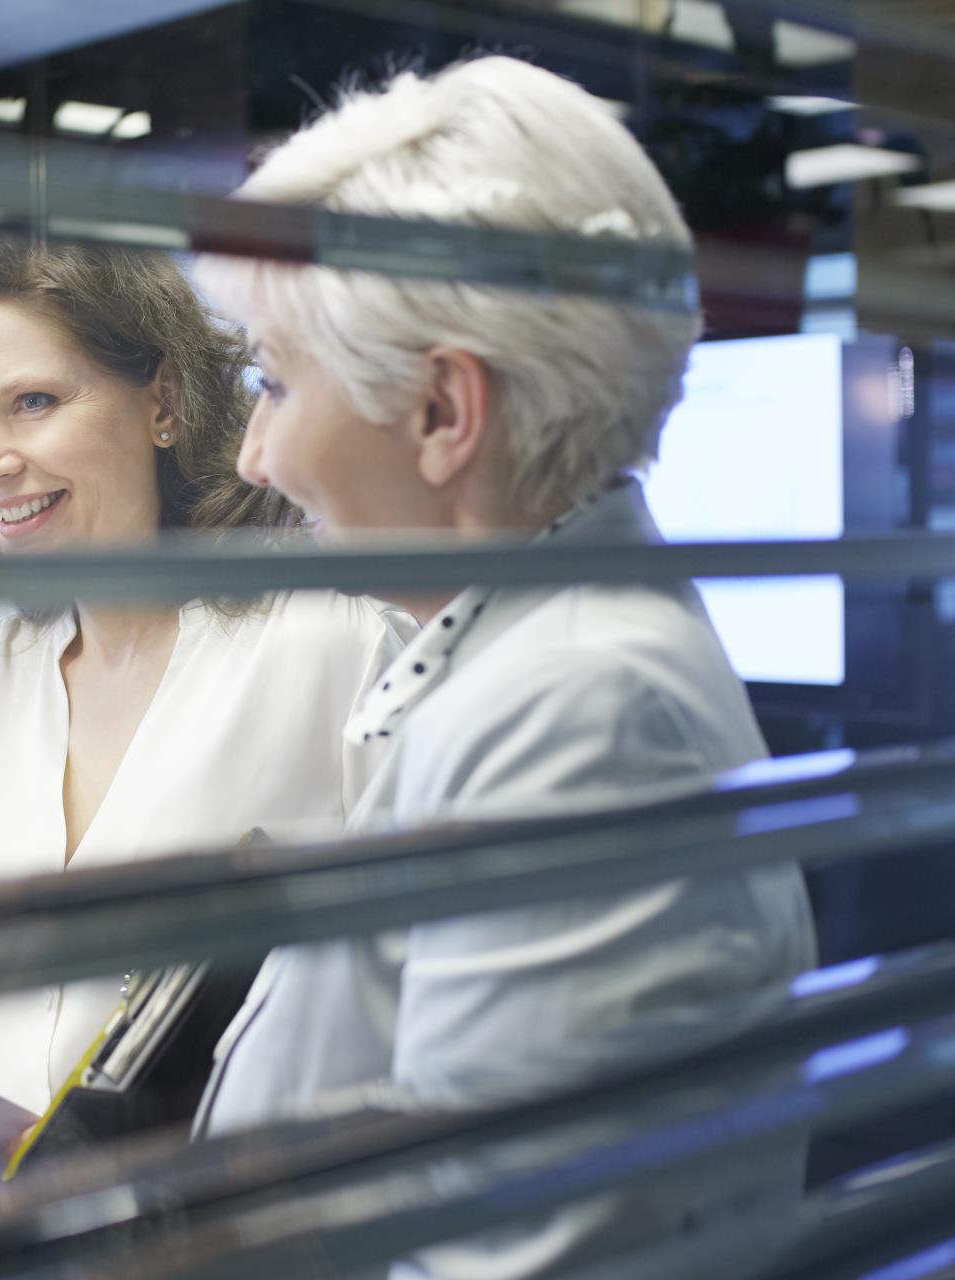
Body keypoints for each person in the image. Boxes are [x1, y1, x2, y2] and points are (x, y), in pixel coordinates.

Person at [190, 57, 816, 1278]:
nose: (255, 453)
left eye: (273, 382)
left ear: (441, 412)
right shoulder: (498, 655)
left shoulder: (581, 708)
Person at [0, 233, 414, 1115]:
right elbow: (15, 1031)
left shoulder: (331, 643)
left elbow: (409, 995)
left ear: (162, 402)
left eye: (31, 401)